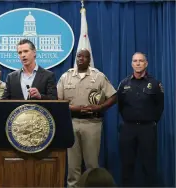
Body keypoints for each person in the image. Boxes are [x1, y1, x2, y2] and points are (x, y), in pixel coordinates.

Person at [57, 49, 117, 187]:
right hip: (71, 123)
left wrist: (101, 107)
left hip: (92, 123)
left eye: (84, 57)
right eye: (79, 56)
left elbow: (114, 96)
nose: (81, 59)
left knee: (92, 165)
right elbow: (58, 100)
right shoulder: (66, 76)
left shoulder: (99, 76)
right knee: (73, 166)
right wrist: (73, 108)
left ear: (89, 60)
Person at [117, 52, 164, 187]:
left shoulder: (155, 84)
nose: (138, 63)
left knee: (149, 165)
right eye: (135, 61)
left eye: (141, 61)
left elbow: (159, 106)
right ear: (131, 64)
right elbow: (120, 106)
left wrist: (152, 122)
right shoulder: (124, 83)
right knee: (127, 164)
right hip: (128, 128)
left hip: (147, 128)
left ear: (146, 64)